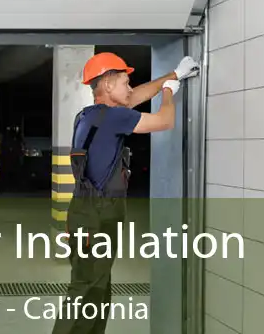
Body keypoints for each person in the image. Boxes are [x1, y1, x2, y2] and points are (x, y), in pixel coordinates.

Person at [51, 52, 199, 334]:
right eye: (125, 82)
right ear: (107, 84)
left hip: (89, 211)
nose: (130, 88)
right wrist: (168, 93)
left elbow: (131, 100)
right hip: (96, 214)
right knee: (85, 289)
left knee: (98, 288)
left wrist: (173, 75)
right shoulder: (112, 117)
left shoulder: (90, 115)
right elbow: (163, 121)